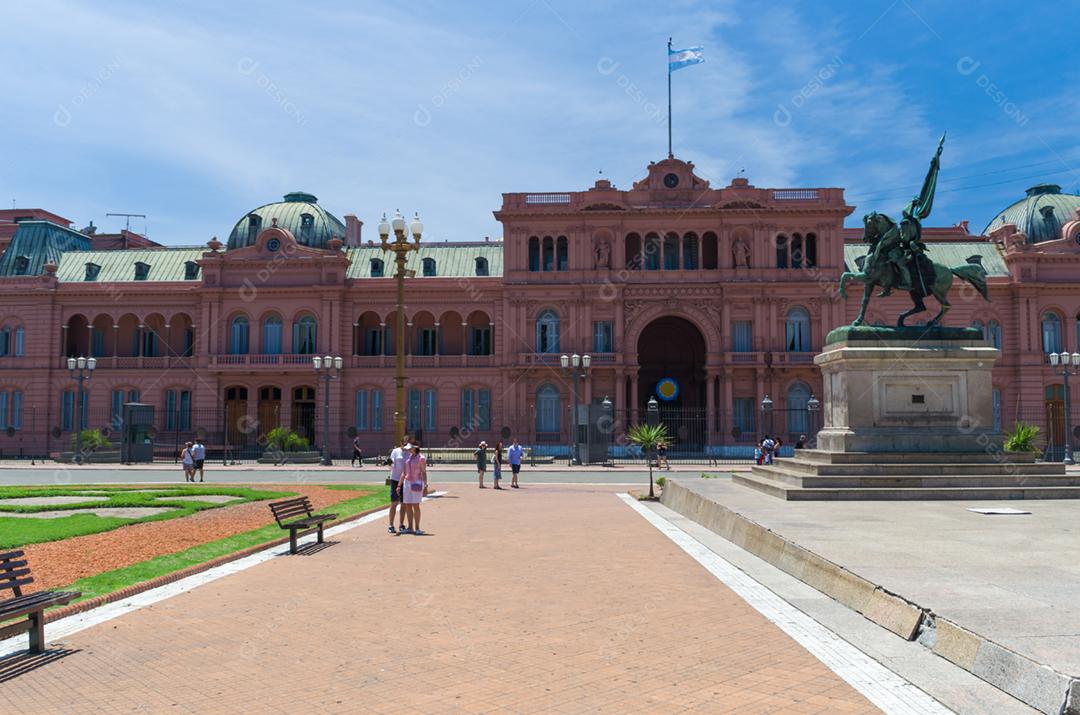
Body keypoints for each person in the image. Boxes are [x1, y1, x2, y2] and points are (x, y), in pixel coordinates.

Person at [399, 444, 428, 535]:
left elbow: (423, 472)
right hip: (407, 483)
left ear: (415, 448)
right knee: (408, 505)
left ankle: (417, 528)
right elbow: (404, 472)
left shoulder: (421, 458)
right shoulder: (408, 457)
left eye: (410, 448)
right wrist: (400, 484)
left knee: (416, 505)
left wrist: (426, 485)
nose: (408, 450)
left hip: (417, 483)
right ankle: (410, 527)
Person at [387, 435, 411, 534]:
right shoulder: (395, 451)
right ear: (401, 443)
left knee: (404, 503)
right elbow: (391, 466)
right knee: (394, 503)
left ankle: (401, 524)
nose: (406, 446)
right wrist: (389, 464)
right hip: (395, 479)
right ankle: (391, 525)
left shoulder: (410, 452)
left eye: (408, 444)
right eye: (404, 443)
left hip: (406, 480)